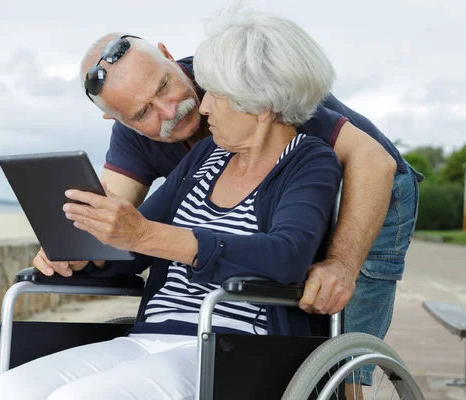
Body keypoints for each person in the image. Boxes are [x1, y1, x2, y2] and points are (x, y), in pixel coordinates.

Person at [0, 10, 341, 399]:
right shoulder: (206, 155)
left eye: (216, 95)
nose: (202, 108)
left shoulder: (309, 161)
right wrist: (86, 253)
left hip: (226, 347)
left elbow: (286, 256)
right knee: (8, 389)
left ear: (261, 103)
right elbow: (134, 246)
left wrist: (151, 235)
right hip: (148, 339)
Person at [63, 13, 422, 389]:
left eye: (165, 86)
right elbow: (115, 221)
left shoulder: (252, 79)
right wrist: (74, 249)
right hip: (270, 216)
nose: (170, 110)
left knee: (341, 361)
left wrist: (341, 265)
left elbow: (373, 161)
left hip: (370, 187)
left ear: (169, 56)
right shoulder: (152, 141)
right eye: (142, 113)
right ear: (115, 118)